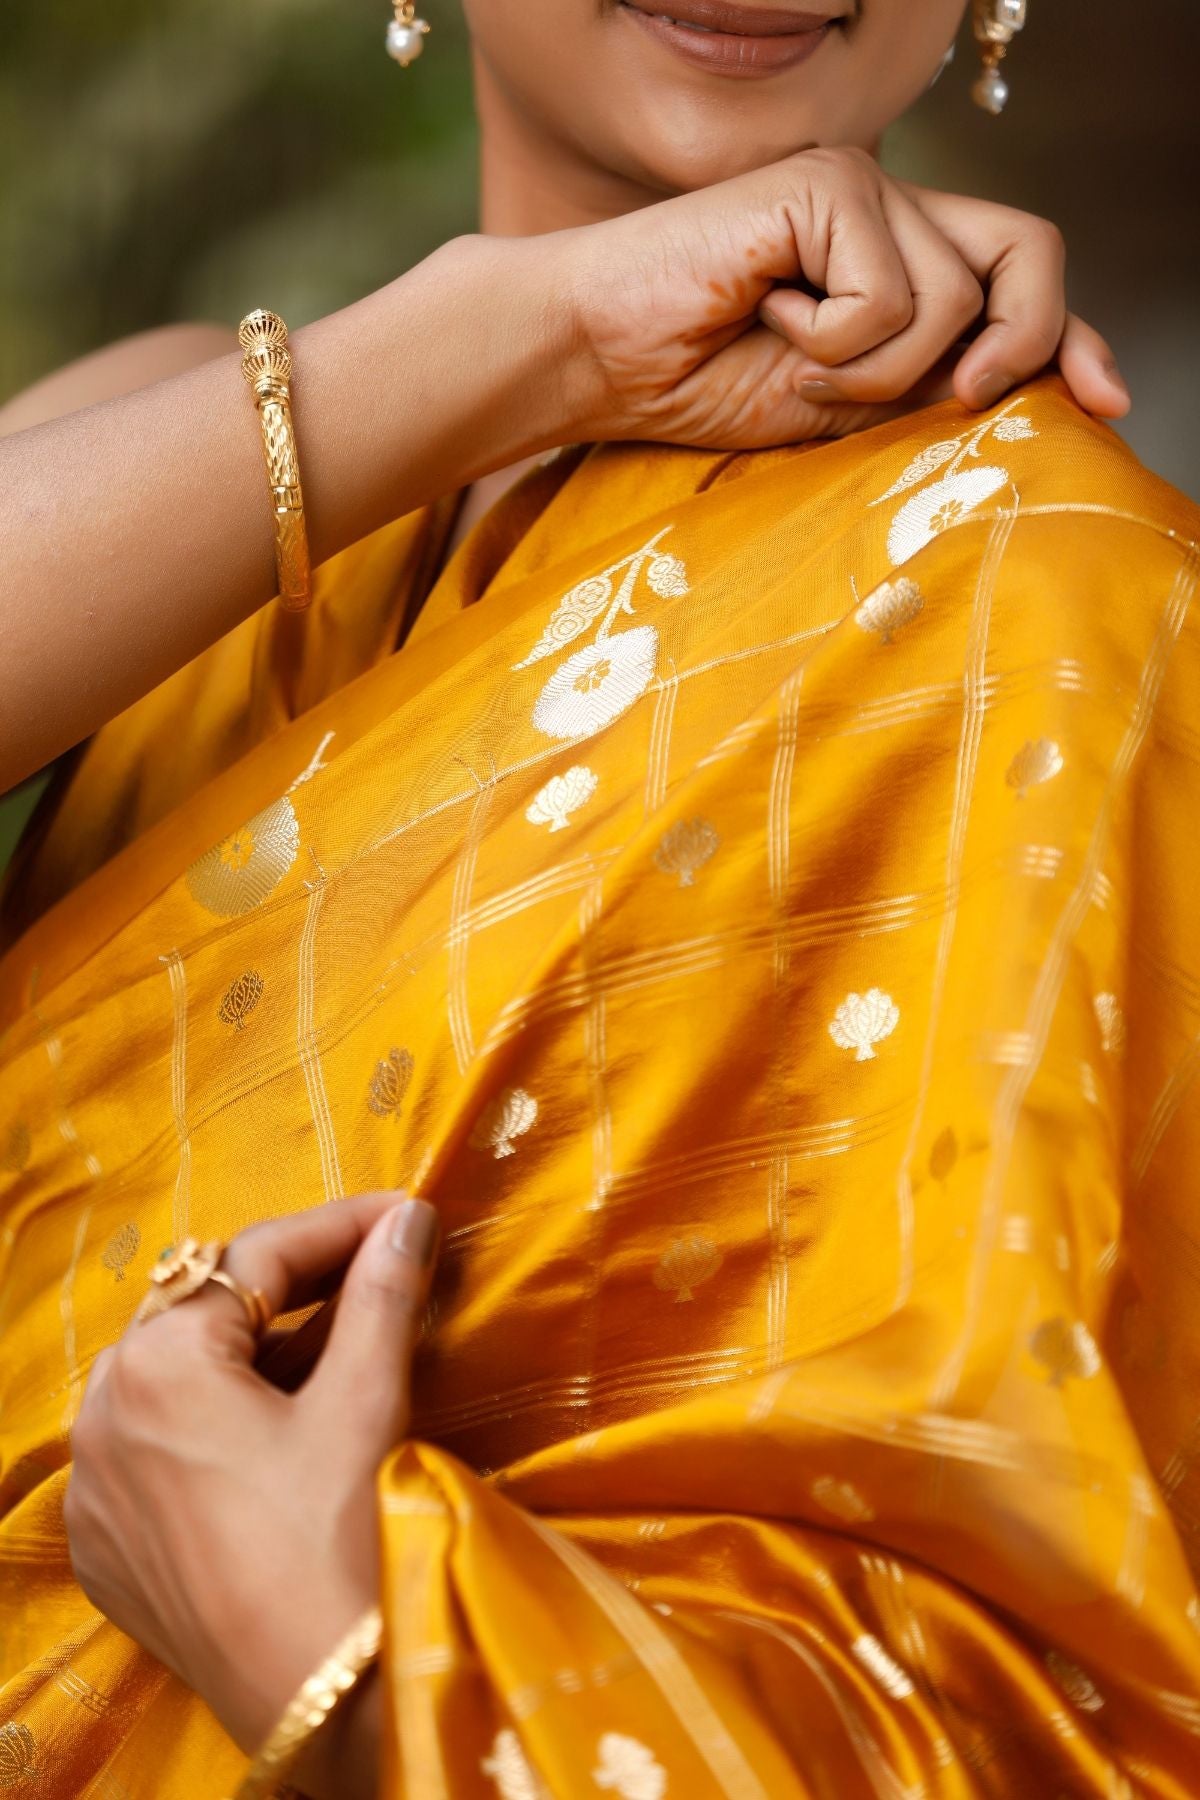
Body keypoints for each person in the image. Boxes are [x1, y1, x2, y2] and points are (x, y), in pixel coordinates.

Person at [0, 1, 1196, 1794]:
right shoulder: (169, 465)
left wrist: (345, 1661)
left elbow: (1038, 1697)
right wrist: (528, 331)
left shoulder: (1054, 593)